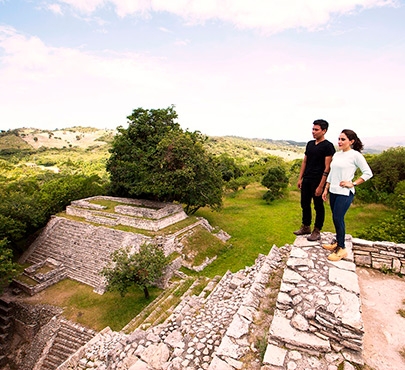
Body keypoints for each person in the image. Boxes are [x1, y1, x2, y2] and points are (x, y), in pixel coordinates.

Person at [322, 129, 373, 261]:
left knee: (338, 218)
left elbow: (368, 173)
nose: (339, 141)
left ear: (351, 141)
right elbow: (332, 173)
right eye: (339, 139)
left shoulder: (355, 155)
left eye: (343, 139)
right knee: (335, 218)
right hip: (333, 191)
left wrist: (353, 183)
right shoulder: (337, 155)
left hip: (344, 193)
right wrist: (326, 188)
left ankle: (342, 249)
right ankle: (337, 243)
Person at [294, 119, 336, 241]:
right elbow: (305, 161)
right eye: (313, 129)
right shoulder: (310, 144)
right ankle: (306, 226)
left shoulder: (328, 146)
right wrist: (300, 178)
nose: (313, 132)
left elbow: (328, 167)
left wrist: (321, 185)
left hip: (318, 180)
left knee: (318, 206)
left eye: (316, 130)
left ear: (324, 131)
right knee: (304, 203)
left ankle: (317, 230)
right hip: (307, 178)